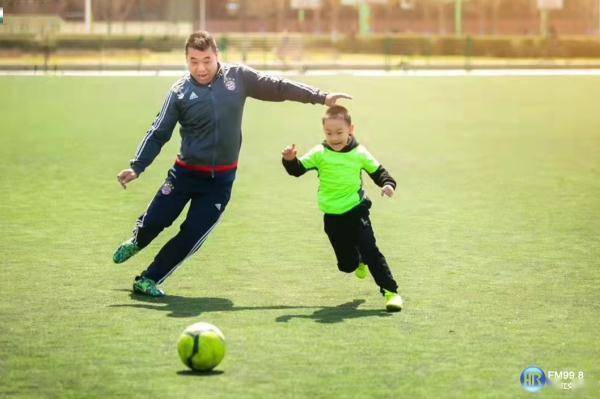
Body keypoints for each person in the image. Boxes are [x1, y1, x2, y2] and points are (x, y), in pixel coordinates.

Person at [114, 31, 351, 297]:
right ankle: (138, 240)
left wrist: (320, 96)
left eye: (206, 60)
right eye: (193, 61)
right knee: (156, 222)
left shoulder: (237, 78)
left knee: (192, 235)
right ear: (186, 60)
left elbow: (278, 87)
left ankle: (150, 279)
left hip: (220, 183)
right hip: (184, 175)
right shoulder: (179, 92)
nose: (200, 68)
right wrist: (137, 166)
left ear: (217, 56)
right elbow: (158, 132)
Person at [281, 105, 403, 312]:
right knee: (347, 265)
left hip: (356, 210)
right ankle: (358, 259)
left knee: (371, 250)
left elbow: (380, 172)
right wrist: (289, 159)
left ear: (350, 129)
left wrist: (388, 185)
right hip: (332, 216)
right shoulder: (320, 153)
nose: (334, 137)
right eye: (329, 133)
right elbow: (297, 170)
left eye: (339, 132)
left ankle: (390, 292)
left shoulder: (359, 153)